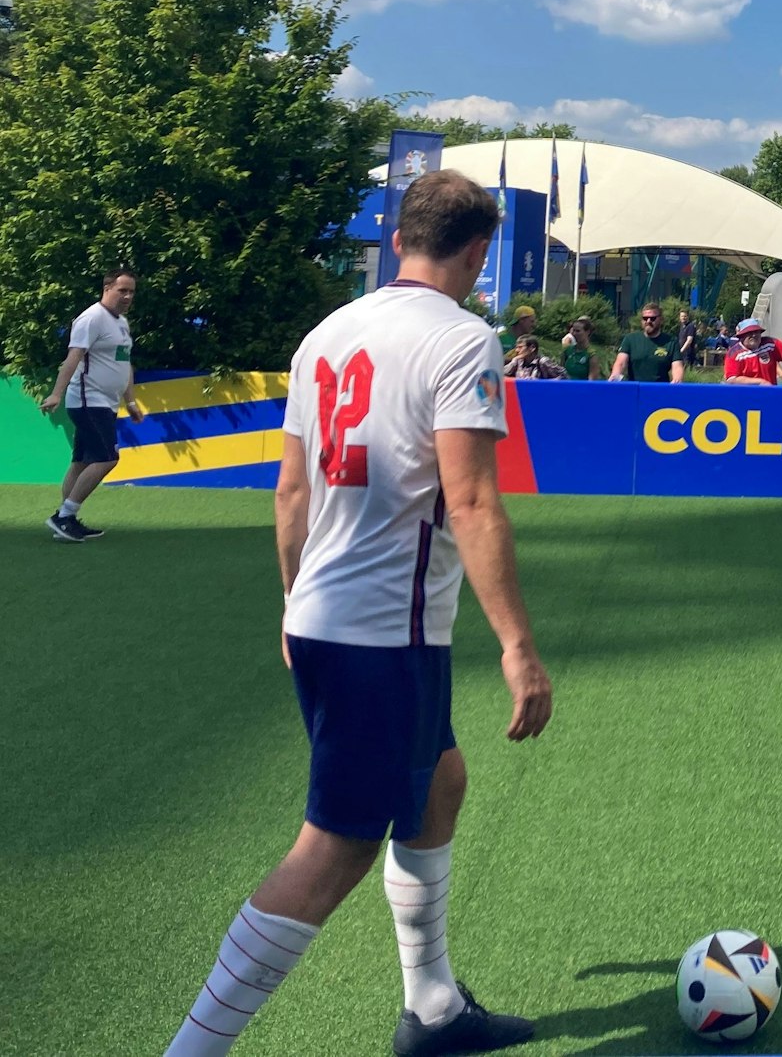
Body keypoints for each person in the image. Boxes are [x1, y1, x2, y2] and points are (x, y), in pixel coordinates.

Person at [162, 170, 551, 1057]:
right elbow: (474, 503)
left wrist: (295, 599)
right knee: (332, 850)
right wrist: (519, 648)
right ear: (479, 252)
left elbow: (291, 490)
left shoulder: (327, 334)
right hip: (386, 632)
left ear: (398, 238)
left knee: (438, 785)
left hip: (329, 620)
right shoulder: (462, 340)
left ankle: (435, 1009)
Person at [40, 268, 146, 542]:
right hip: (89, 401)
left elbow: (124, 364)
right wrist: (56, 394)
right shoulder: (92, 318)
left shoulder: (121, 323)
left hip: (106, 403)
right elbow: (73, 358)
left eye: (131, 291)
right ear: (107, 288)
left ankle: (68, 520)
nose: (127, 296)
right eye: (122, 290)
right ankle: (63, 516)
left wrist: (131, 400)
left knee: (81, 462)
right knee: (107, 458)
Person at [609, 305, 676, 383]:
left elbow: (677, 366)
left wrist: (677, 381)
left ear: (661, 320)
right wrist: (615, 375)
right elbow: (621, 362)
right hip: (635, 390)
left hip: (660, 391)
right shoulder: (630, 339)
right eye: (645, 318)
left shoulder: (671, 341)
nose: (648, 321)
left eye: (652, 318)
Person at [722, 318, 782, 385]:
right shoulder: (734, 353)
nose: (754, 335)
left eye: (756, 332)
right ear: (742, 336)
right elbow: (731, 380)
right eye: (750, 333)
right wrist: (759, 382)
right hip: (746, 395)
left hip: (770, 393)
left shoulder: (770, 344)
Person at [502, 336, 568, 380]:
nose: (517, 350)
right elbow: (501, 375)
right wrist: (514, 361)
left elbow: (563, 375)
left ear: (532, 348)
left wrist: (545, 384)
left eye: (520, 347)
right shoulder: (518, 362)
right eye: (516, 347)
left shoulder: (543, 362)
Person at [674, 308, 699, 384]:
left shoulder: (690, 326)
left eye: (685, 316)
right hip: (682, 354)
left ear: (688, 317)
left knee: (687, 372)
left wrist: (681, 350)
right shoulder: (682, 327)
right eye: (682, 316)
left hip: (688, 354)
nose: (683, 318)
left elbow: (689, 340)